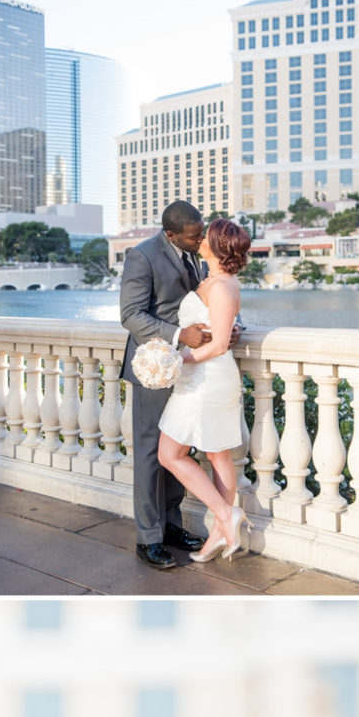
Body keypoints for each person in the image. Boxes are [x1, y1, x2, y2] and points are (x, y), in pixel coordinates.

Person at [118, 199, 211, 572]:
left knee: (178, 448)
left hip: (188, 368)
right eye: (193, 236)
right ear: (170, 234)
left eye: (201, 232)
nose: (200, 239)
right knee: (149, 452)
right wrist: (178, 335)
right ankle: (148, 539)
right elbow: (130, 315)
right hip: (154, 368)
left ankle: (171, 526)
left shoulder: (195, 253)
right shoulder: (142, 256)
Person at [158, 216, 252, 565]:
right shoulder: (211, 280)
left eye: (206, 235)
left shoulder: (223, 286)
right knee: (214, 455)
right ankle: (220, 527)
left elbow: (218, 345)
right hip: (196, 379)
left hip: (209, 379)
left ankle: (225, 517)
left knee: (173, 453)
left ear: (216, 244)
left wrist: (175, 357)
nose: (200, 238)